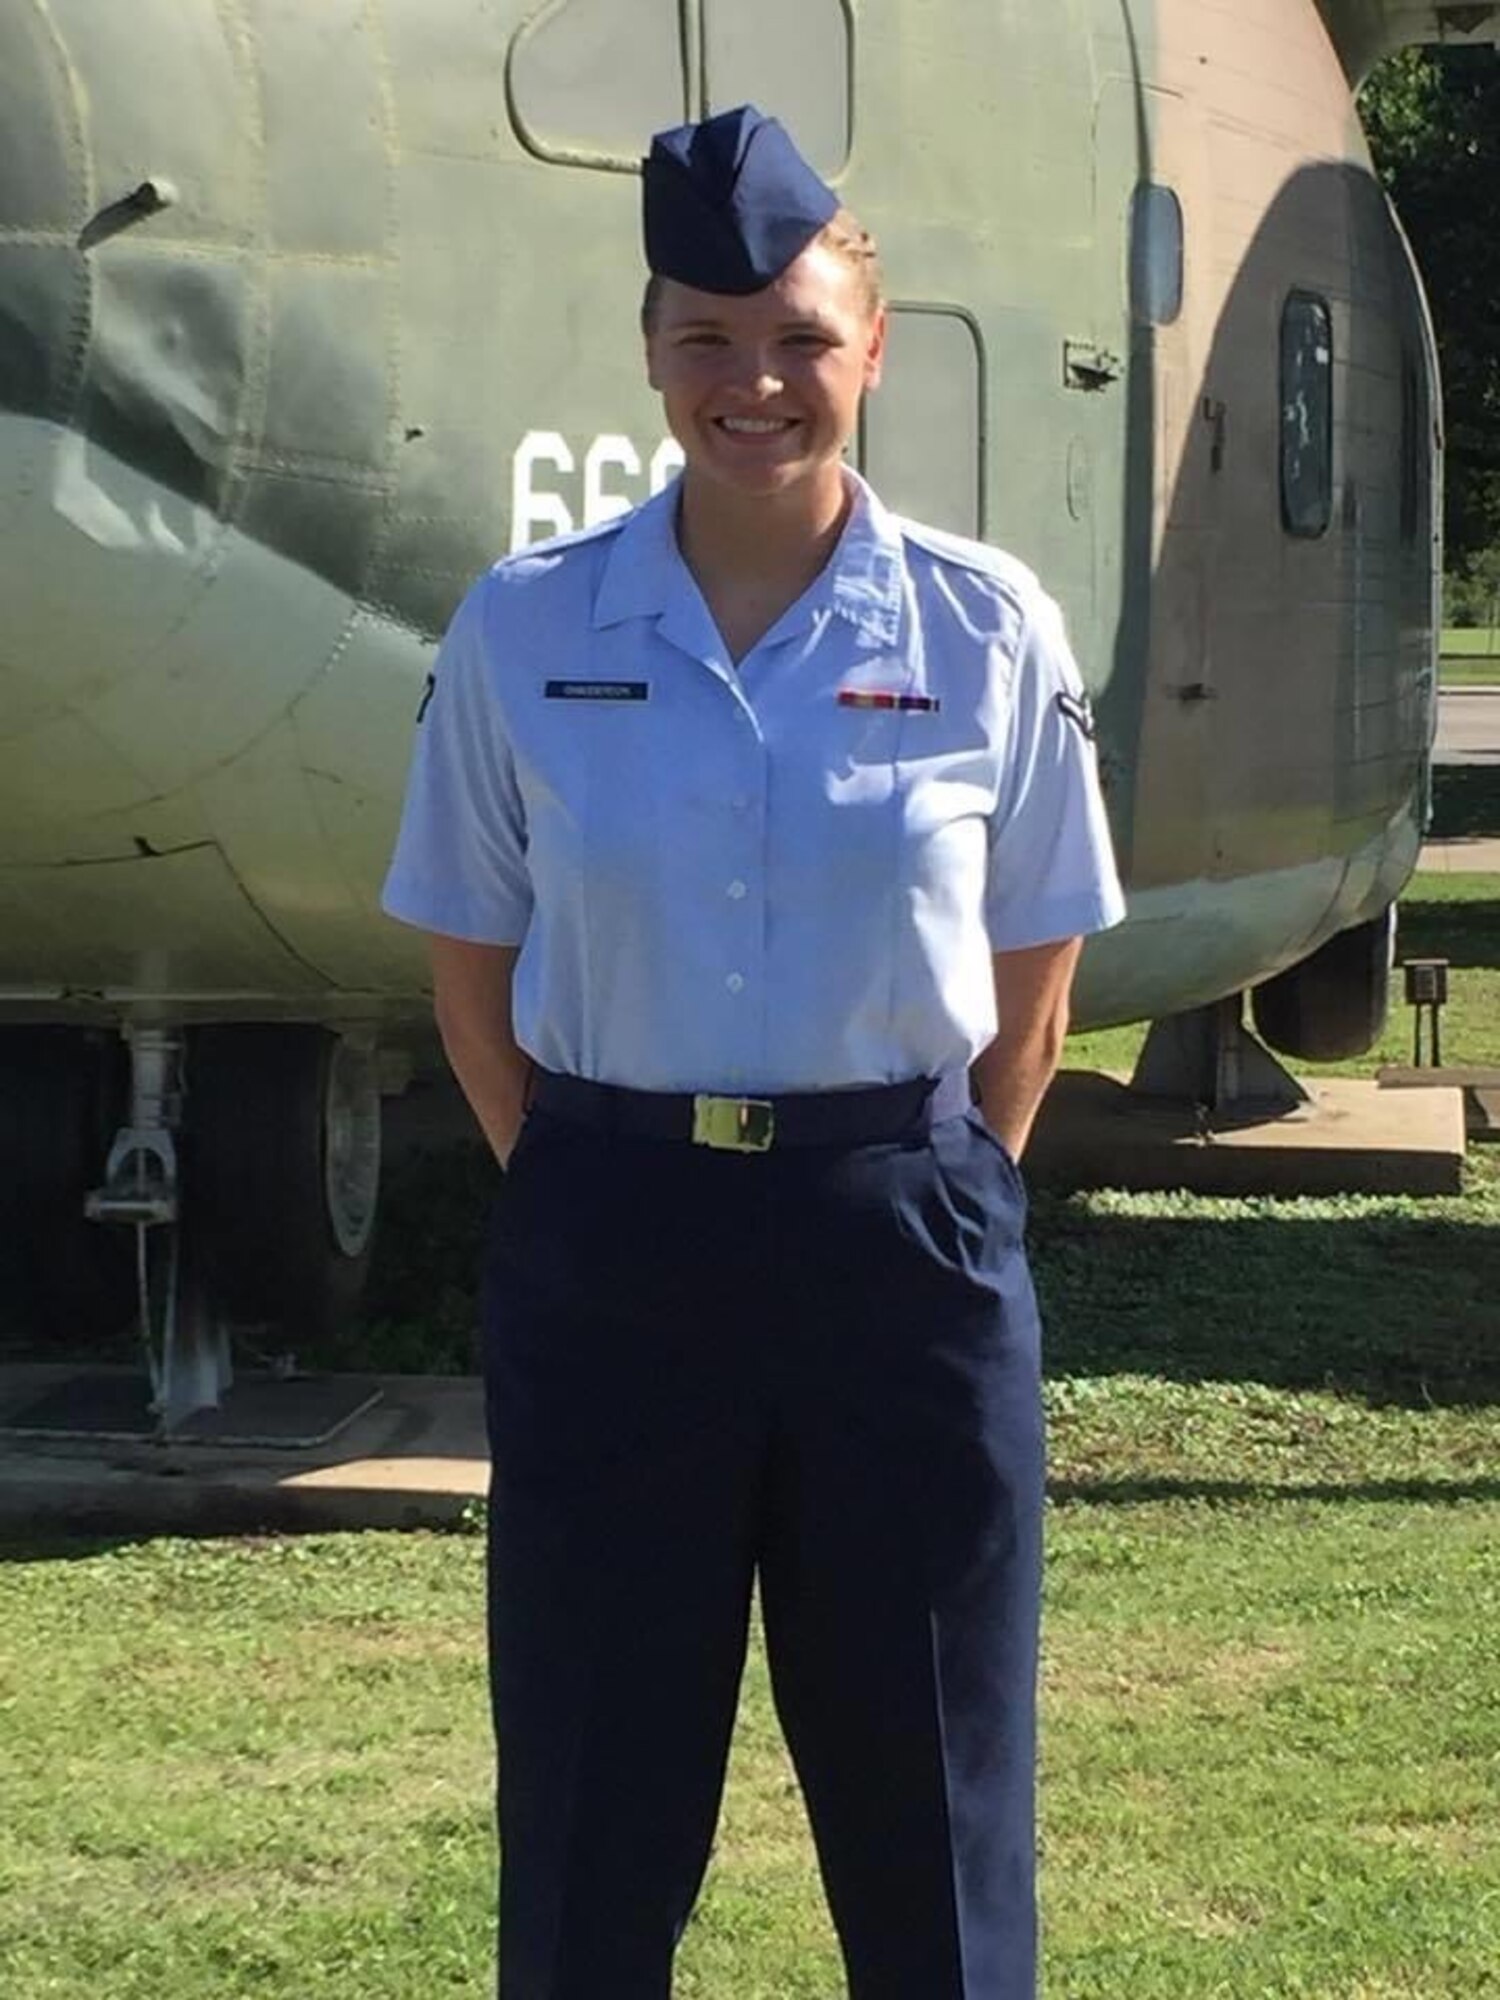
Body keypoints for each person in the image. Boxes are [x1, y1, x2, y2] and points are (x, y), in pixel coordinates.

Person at [382, 104, 1124, 2000]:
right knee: (587, 1822)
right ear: (650, 351)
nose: (756, 382)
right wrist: (589, 1181)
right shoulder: (529, 630)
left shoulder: (982, 627)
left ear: (871, 348)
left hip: (901, 1258)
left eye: (798, 336)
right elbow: (475, 966)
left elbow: (1033, 986)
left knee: (935, 1825)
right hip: (616, 1251)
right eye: (708, 338)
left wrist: (924, 1183)